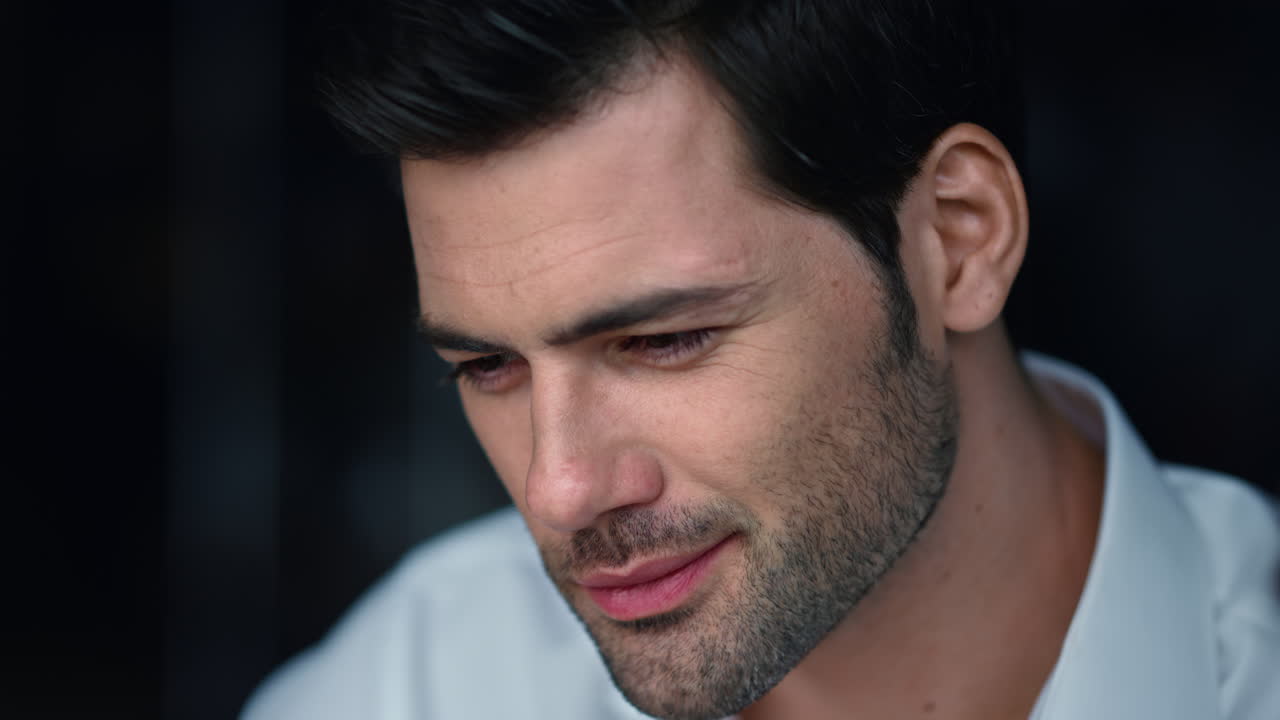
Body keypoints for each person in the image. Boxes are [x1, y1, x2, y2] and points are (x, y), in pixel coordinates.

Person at [243, 1, 1280, 718]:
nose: (559, 491)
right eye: (487, 367)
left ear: (956, 239)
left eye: (661, 341)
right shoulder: (416, 685)